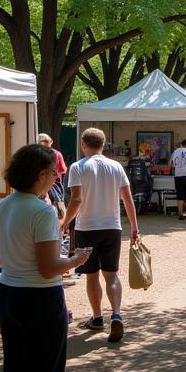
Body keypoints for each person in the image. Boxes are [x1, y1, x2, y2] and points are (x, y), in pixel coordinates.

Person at [0, 144, 89, 372]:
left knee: (15, 370)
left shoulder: (3, 205)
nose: (56, 177)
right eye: (52, 172)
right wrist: (74, 259)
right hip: (39, 299)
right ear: (39, 175)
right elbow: (49, 267)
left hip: (8, 294)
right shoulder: (42, 211)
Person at [60, 127, 140, 342]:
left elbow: (76, 200)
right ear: (103, 145)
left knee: (92, 275)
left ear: (83, 145)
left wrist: (65, 222)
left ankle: (97, 318)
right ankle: (116, 313)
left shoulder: (77, 167)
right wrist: (134, 226)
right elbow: (127, 199)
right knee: (111, 274)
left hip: (87, 227)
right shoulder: (116, 167)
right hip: (112, 226)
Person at [37, 132, 67, 218]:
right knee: (59, 208)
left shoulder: (34, 154)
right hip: (54, 184)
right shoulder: (56, 154)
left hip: (40, 184)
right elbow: (62, 170)